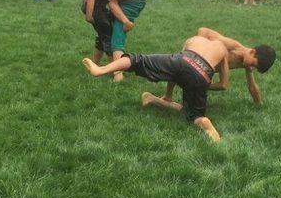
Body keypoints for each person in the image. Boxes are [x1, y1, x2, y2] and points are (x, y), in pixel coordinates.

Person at [82, 35, 230, 141]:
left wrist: (168, 95)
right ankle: (201, 121)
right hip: (203, 75)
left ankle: (101, 70)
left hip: (184, 59)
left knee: (137, 60)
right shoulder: (223, 49)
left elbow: (176, 72)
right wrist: (203, 85)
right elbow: (224, 84)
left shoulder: (194, 39)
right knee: (195, 116)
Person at [73, 0, 146, 81]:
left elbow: (89, 16)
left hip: (131, 1)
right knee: (104, 34)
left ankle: (117, 74)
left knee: (116, 39)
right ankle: (95, 63)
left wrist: (96, 23)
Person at [196, 27, 276, 105]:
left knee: (222, 85)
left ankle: (198, 87)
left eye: (255, 68)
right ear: (252, 52)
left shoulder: (247, 64)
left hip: (202, 70)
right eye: (253, 64)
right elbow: (203, 30)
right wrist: (200, 52)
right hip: (194, 59)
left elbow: (252, 85)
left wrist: (258, 102)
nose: (252, 68)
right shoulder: (232, 46)